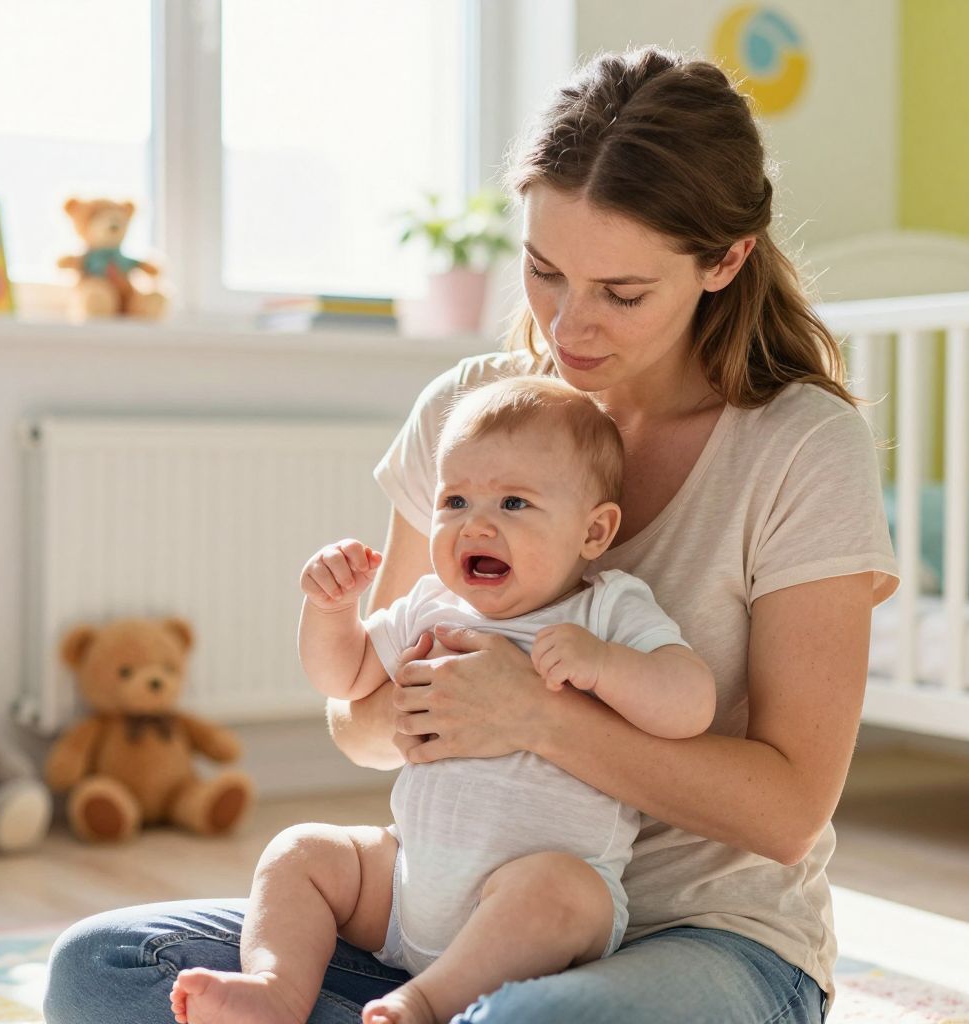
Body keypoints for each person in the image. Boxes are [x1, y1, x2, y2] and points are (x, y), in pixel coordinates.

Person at [44, 44, 898, 1024]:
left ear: (724, 258)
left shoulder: (799, 446)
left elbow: (787, 815)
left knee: (538, 1022)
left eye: (621, 293)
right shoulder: (469, 414)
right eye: (543, 271)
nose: (569, 325)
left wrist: (535, 717)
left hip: (700, 939)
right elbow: (363, 722)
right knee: (103, 965)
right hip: (447, 922)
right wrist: (404, 685)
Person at [168, 376, 716, 1024]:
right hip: (404, 892)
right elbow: (344, 679)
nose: (475, 524)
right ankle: (276, 989)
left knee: (566, 893)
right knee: (300, 852)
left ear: (593, 531)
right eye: (454, 500)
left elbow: (691, 703)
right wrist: (332, 609)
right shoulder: (431, 604)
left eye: (514, 503)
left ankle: (424, 1005)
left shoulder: (607, 608)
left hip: (521, 908)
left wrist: (606, 667)